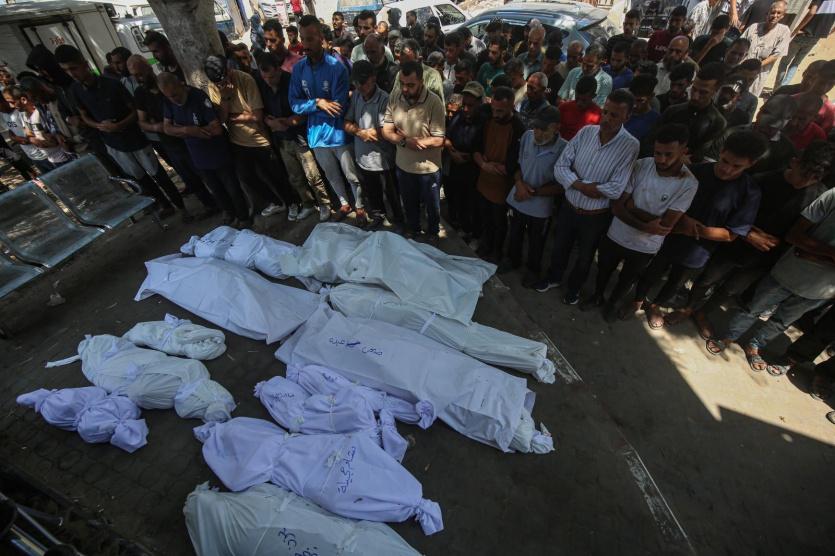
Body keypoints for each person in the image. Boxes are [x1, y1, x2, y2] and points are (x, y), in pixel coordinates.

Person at [667, 141, 833, 336]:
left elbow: (803, 229)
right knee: (708, 278)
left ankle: (702, 313)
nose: (806, 181)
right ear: (794, 162)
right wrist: (748, 232)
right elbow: (732, 212)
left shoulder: (819, 195)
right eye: (804, 174)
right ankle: (688, 308)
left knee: (731, 289)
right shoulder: (763, 181)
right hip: (735, 244)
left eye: (815, 178)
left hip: (765, 257)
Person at [629, 131, 767, 328]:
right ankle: (637, 300)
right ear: (721, 151)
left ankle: (656, 305)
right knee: (652, 271)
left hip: (699, 250)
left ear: (751, 164)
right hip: (667, 237)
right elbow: (665, 198)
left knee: (676, 281)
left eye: (737, 166)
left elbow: (731, 234)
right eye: (725, 161)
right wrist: (682, 220)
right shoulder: (692, 171)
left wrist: (692, 229)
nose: (727, 169)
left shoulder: (749, 192)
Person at [707, 187, 835, 371]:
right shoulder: (833, 196)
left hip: (822, 289)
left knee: (782, 322)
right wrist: (829, 254)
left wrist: (813, 255)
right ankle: (729, 337)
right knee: (753, 308)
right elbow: (794, 235)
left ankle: (754, 346)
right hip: (790, 271)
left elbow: (803, 247)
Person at [55, 44, 186, 219]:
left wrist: (120, 124)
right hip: (113, 143)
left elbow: (134, 111)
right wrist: (99, 126)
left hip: (136, 138)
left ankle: (181, 208)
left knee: (158, 174)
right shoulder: (75, 91)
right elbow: (84, 116)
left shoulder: (112, 84)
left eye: (74, 68)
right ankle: (164, 205)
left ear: (85, 64)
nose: (72, 74)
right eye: (66, 70)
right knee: (139, 178)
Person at [534, 90, 640, 304]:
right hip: (569, 206)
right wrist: (582, 185)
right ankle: (554, 278)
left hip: (595, 216)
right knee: (560, 247)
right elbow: (560, 167)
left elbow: (616, 188)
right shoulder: (586, 132)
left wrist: (573, 180)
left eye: (614, 115)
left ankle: (574, 289)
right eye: (605, 112)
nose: (606, 119)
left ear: (627, 117)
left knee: (585, 257)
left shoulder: (630, 145)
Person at [589, 124, 698, 320]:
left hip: (644, 247)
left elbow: (665, 225)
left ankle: (612, 304)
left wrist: (632, 208)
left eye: (668, 154)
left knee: (627, 279)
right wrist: (646, 225)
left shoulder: (689, 184)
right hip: (616, 235)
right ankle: (597, 296)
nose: (661, 159)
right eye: (657, 153)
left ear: (684, 151)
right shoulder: (641, 165)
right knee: (603, 269)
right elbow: (617, 206)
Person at [204, 55, 296, 220]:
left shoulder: (245, 80)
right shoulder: (214, 87)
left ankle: (292, 203)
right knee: (246, 177)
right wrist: (225, 97)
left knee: (276, 175)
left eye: (223, 80)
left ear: (229, 70)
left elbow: (256, 116)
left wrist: (232, 117)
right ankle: (275, 202)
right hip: (237, 140)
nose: (221, 84)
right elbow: (221, 119)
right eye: (218, 83)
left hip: (259, 138)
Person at [291, 15, 366, 221]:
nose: (305, 44)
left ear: (321, 38)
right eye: (303, 39)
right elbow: (294, 103)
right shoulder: (298, 69)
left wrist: (310, 107)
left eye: (310, 39)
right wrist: (318, 103)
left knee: (352, 175)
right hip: (316, 136)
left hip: (339, 134)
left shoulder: (336, 67)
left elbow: (338, 107)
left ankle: (360, 206)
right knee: (331, 175)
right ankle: (344, 204)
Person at [128, 55, 217, 217]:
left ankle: (224, 203)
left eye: (140, 74)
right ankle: (209, 205)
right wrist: (157, 127)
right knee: (189, 178)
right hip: (170, 143)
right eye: (134, 75)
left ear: (148, 68)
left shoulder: (167, 84)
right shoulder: (140, 93)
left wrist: (179, 127)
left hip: (192, 138)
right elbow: (142, 122)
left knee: (208, 174)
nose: (138, 78)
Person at [256, 52, 331, 223]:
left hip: (300, 136)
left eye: (272, 77)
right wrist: (270, 122)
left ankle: (324, 203)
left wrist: (288, 122)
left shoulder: (293, 83)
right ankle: (308, 203)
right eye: (265, 77)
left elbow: (307, 110)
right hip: (282, 139)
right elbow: (263, 112)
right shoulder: (263, 86)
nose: (268, 81)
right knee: (295, 176)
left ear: (278, 69)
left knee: (313, 175)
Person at [382, 61, 446, 243]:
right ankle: (414, 229)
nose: (405, 89)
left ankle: (433, 232)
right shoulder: (395, 97)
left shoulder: (434, 102)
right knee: (409, 203)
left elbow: (439, 139)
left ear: (421, 82)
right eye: (402, 83)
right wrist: (404, 141)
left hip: (429, 169)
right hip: (403, 166)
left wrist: (415, 142)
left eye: (410, 85)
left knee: (432, 206)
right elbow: (386, 131)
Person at [506, 105, 567, 286]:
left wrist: (532, 192)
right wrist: (519, 184)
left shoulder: (564, 149)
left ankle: (533, 270)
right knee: (514, 233)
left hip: (540, 207)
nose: (538, 133)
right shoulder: (527, 136)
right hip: (518, 197)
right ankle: (512, 260)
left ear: (556, 127)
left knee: (537, 241)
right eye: (536, 128)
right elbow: (517, 165)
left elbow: (562, 185)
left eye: (544, 129)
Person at [471, 86, 525, 262]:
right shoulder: (487, 118)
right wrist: (483, 164)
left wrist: (495, 167)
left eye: (500, 111)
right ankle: (485, 244)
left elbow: (514, 163)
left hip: (502, 184)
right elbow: (476, 147)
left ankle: (496, 251)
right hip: (484, 178)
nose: (495, 114)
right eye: (493, 109)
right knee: (485, 216)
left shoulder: (518, 128)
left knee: (499, 221)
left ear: (511, 107)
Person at [345, 60, 400, 228]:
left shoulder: (385, 99)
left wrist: (362, 131)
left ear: (373, 78)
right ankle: (378, 216)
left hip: (383, 160)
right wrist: (360, 132)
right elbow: (346, 123)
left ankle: (399, 220)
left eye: (363, 82)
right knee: (372, 193)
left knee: (392, 194)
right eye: (356, 82)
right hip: (363, 159)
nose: (359, 86)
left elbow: (385, 131)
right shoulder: (356, 95)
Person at [645, 62, 726, 162]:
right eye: (694, 89)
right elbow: (650, 141)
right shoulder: (672, 110)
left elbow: (703, 156)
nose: (695, 96)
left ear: (716, 91)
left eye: (703, 92)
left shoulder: (717, 123)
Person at [445, 81, 487, 238]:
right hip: (454, 168)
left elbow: (486, 150)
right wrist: (452, 152)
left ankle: (473, 233)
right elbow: (447, 137)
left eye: (471, 105)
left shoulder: (486, 122)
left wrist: (469, 157)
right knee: (456, 200)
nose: (467, 109)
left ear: (480, 103)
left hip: (474, 173)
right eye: (464, 105)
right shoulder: (458, 115)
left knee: (472, 206)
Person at [10, 86, 73, 169]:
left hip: (65, 158)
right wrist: (37, 140)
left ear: (23, 100)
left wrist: (39, 141)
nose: (11, 106)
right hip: (52, 159)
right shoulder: (23, 114)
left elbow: (55, 140)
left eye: (12, 102)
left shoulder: (41, 112)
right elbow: (28, 134)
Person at [776, 0, 835, 87]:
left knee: (784, 62)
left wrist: (797, 29)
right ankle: (783, 87)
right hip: (815, 38)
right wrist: (829, 32)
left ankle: (777, 89)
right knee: (795, 64)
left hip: (804, 34)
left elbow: (811, 12)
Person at [741, 0, 791, 96]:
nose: (775, 15)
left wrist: (755, 66)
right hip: (742, 70)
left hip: (759, 75)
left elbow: (775, 56)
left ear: (783, 16)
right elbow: (741, 44)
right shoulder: (753, 27)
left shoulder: (784, 31)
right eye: (773, 12)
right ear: (767, 13)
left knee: (748, 98)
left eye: (779, 13)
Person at [1, 89, 52, 174]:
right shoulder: (4, 115)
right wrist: (15, 138)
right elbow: (10, 131)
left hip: (45, 154)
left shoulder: (20, 112)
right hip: (32, 156)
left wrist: (23, 139)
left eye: (11, 102)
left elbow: (32, 136)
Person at [557, 76, 601, 140]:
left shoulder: (598, 115)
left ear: (593, 96)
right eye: (577, 99)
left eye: (584, 100)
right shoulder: (563, 108)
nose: (579, 103)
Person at [625, 75, 660, 140]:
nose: (634, 105)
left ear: (651, 96)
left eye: (639, 101)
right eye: (632, 99)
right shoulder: (623, 110)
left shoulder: (655, 120)